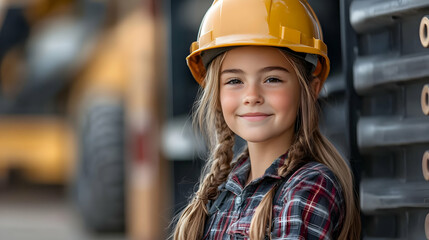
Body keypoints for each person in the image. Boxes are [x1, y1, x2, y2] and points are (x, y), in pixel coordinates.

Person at [173, 0, 361, 239]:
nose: (252, 96)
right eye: (234, 81)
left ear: (310, 89)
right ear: (216, 94)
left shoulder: (309, 187)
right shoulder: (221, 191)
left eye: (272, 79)